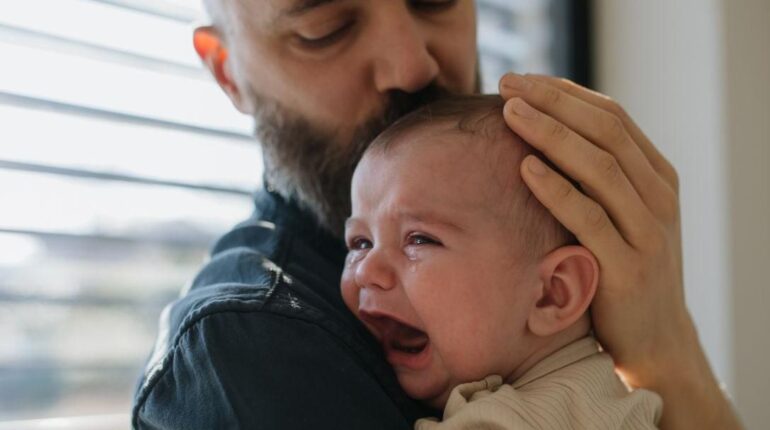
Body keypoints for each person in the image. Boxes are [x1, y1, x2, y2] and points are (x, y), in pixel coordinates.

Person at [131, 1, 742, 429]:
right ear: (226, 69)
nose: (412, 65)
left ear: (557, 289)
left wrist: (667, 355)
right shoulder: (253, 345)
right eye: (326, 28)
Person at [341, 94, 662, 429]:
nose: (366, 270)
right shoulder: (597, 395)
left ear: (551, 294)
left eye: (420, 239)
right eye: (360, 242)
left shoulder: (507, 422)